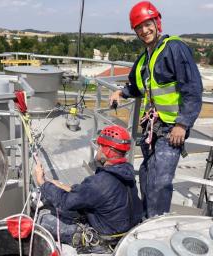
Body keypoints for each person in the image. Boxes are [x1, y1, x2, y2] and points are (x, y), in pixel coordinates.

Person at [110, 1, 203, 218]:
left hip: (172, 129)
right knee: (146, 174)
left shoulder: (174, 48)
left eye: (147, 24)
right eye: (139, 27)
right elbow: (136, 86)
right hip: (152, 129)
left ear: (156, 22)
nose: (144, 30)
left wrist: (182, 124)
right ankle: (147, 217)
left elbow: (192, 88)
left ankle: (156, 224)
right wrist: (120, 93)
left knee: (160, 180)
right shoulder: (144, 59)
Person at [34, 125, 143, 253]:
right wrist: (57, 184)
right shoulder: (125, 171)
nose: (97, 150)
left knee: (43, 219)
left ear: (107, 151)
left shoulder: (100, 182)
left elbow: (65, 202)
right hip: (125, 232)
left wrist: (42, 182)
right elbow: (89, 193)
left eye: (99, 146)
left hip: (105, 241)